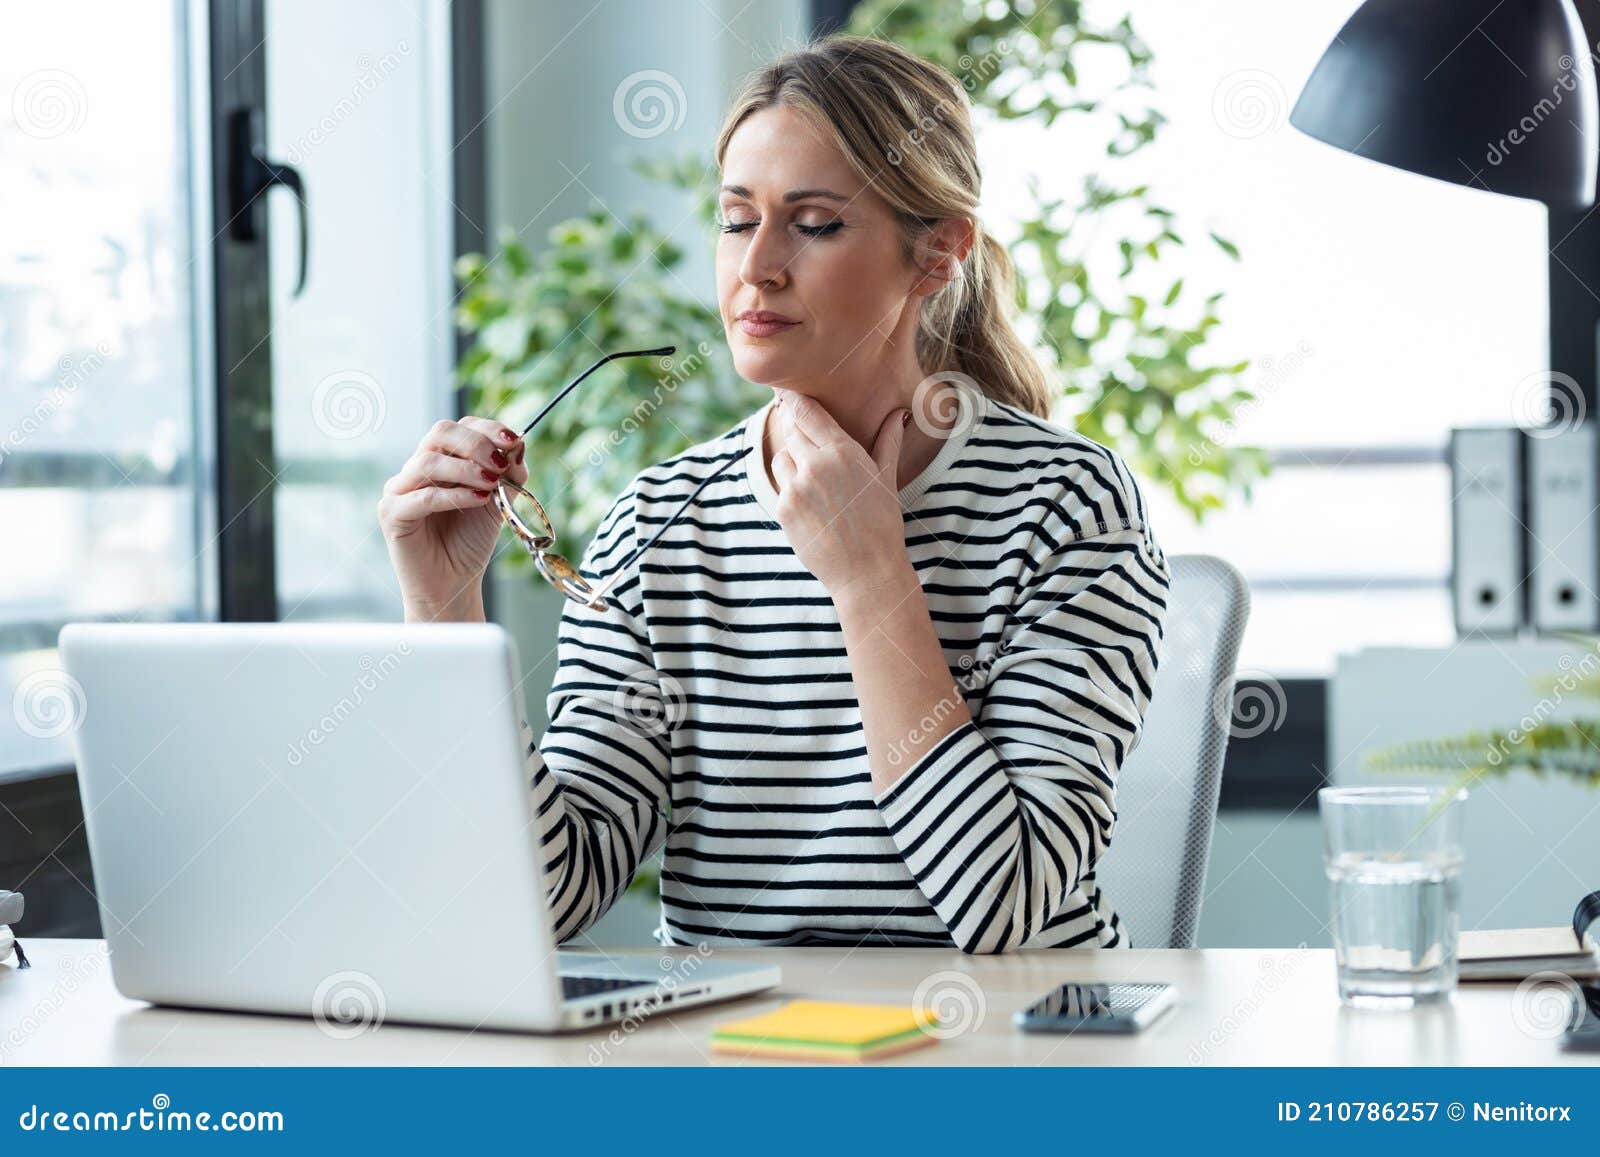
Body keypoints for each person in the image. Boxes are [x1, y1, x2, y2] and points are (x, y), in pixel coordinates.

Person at [378, 35, 1171, 953]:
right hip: (737, 1061)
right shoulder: (657, 523)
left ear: (937, 254)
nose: (757, 265)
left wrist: (871, 578)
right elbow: (541, 902)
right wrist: (444, 613)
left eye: (816, 223)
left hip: (1001, 1061)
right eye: (734, 218)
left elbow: (1003, 910)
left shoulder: (1066, 506)